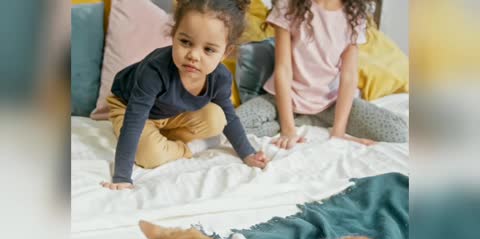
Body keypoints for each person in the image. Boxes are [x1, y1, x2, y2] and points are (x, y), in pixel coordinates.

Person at [101, 0, 268, 190]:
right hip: (130, 106)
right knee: (149, 155)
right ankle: (190, 147)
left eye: (208, 49)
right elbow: (134, 120)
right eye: (185, 42)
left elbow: (229, 116)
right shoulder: (154, 71)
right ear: (173, 36)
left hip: (172, 113)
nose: (194, 55)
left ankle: (164, 139)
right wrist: (122, 176)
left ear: (225, 52)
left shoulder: (220, 78)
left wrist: (248, 154)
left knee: (217, 117)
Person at [236, 0, 408, 149]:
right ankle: (297, 121)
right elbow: (283, 69)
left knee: (399, 133)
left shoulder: (354, 15)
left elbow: (348, 76)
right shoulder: (288, 5)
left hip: (330, 104)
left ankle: (306, 121)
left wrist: (339, 131)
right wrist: (288, 129)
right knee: (234, 125)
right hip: (284, 98)